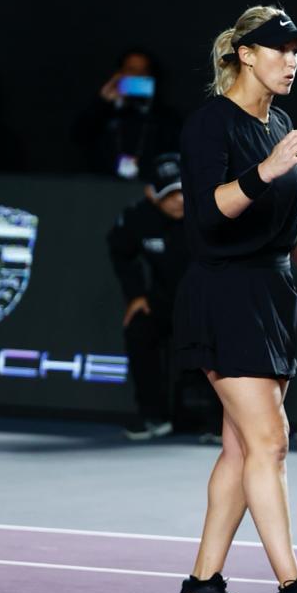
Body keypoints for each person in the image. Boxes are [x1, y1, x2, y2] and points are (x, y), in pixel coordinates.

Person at [172, 5, 297, 593]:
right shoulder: (210, 125)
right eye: (279, 49)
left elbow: (291, 224)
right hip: (224, 295)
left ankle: (202, 585)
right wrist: (268, 167)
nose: (291, 60)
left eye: (296, 51)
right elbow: (208, 213)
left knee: (240, 448)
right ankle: (292, 589)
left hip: (271, 296)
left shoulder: (276, 123)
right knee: (270, 443)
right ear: (244, 54)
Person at [107, 152, 189, 440]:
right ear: (151, 194)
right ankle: (153, 416)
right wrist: (136, 295)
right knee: (139, 327)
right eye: (170, 194)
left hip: (209, 301)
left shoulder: (211, 212)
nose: (179, 200)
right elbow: (120, 252)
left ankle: (219, 423)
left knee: (225, 338)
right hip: (165, 298)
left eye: (183, 191)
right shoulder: (137, 218)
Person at [73, 48, 181, 179]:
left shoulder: (165, 117)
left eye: (143, 72)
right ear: (119, 74)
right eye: (131, 70)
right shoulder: (104, 111)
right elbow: (80, 136)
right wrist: (102, 102)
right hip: (102, 185)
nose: (137, 76)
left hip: (146, 186)